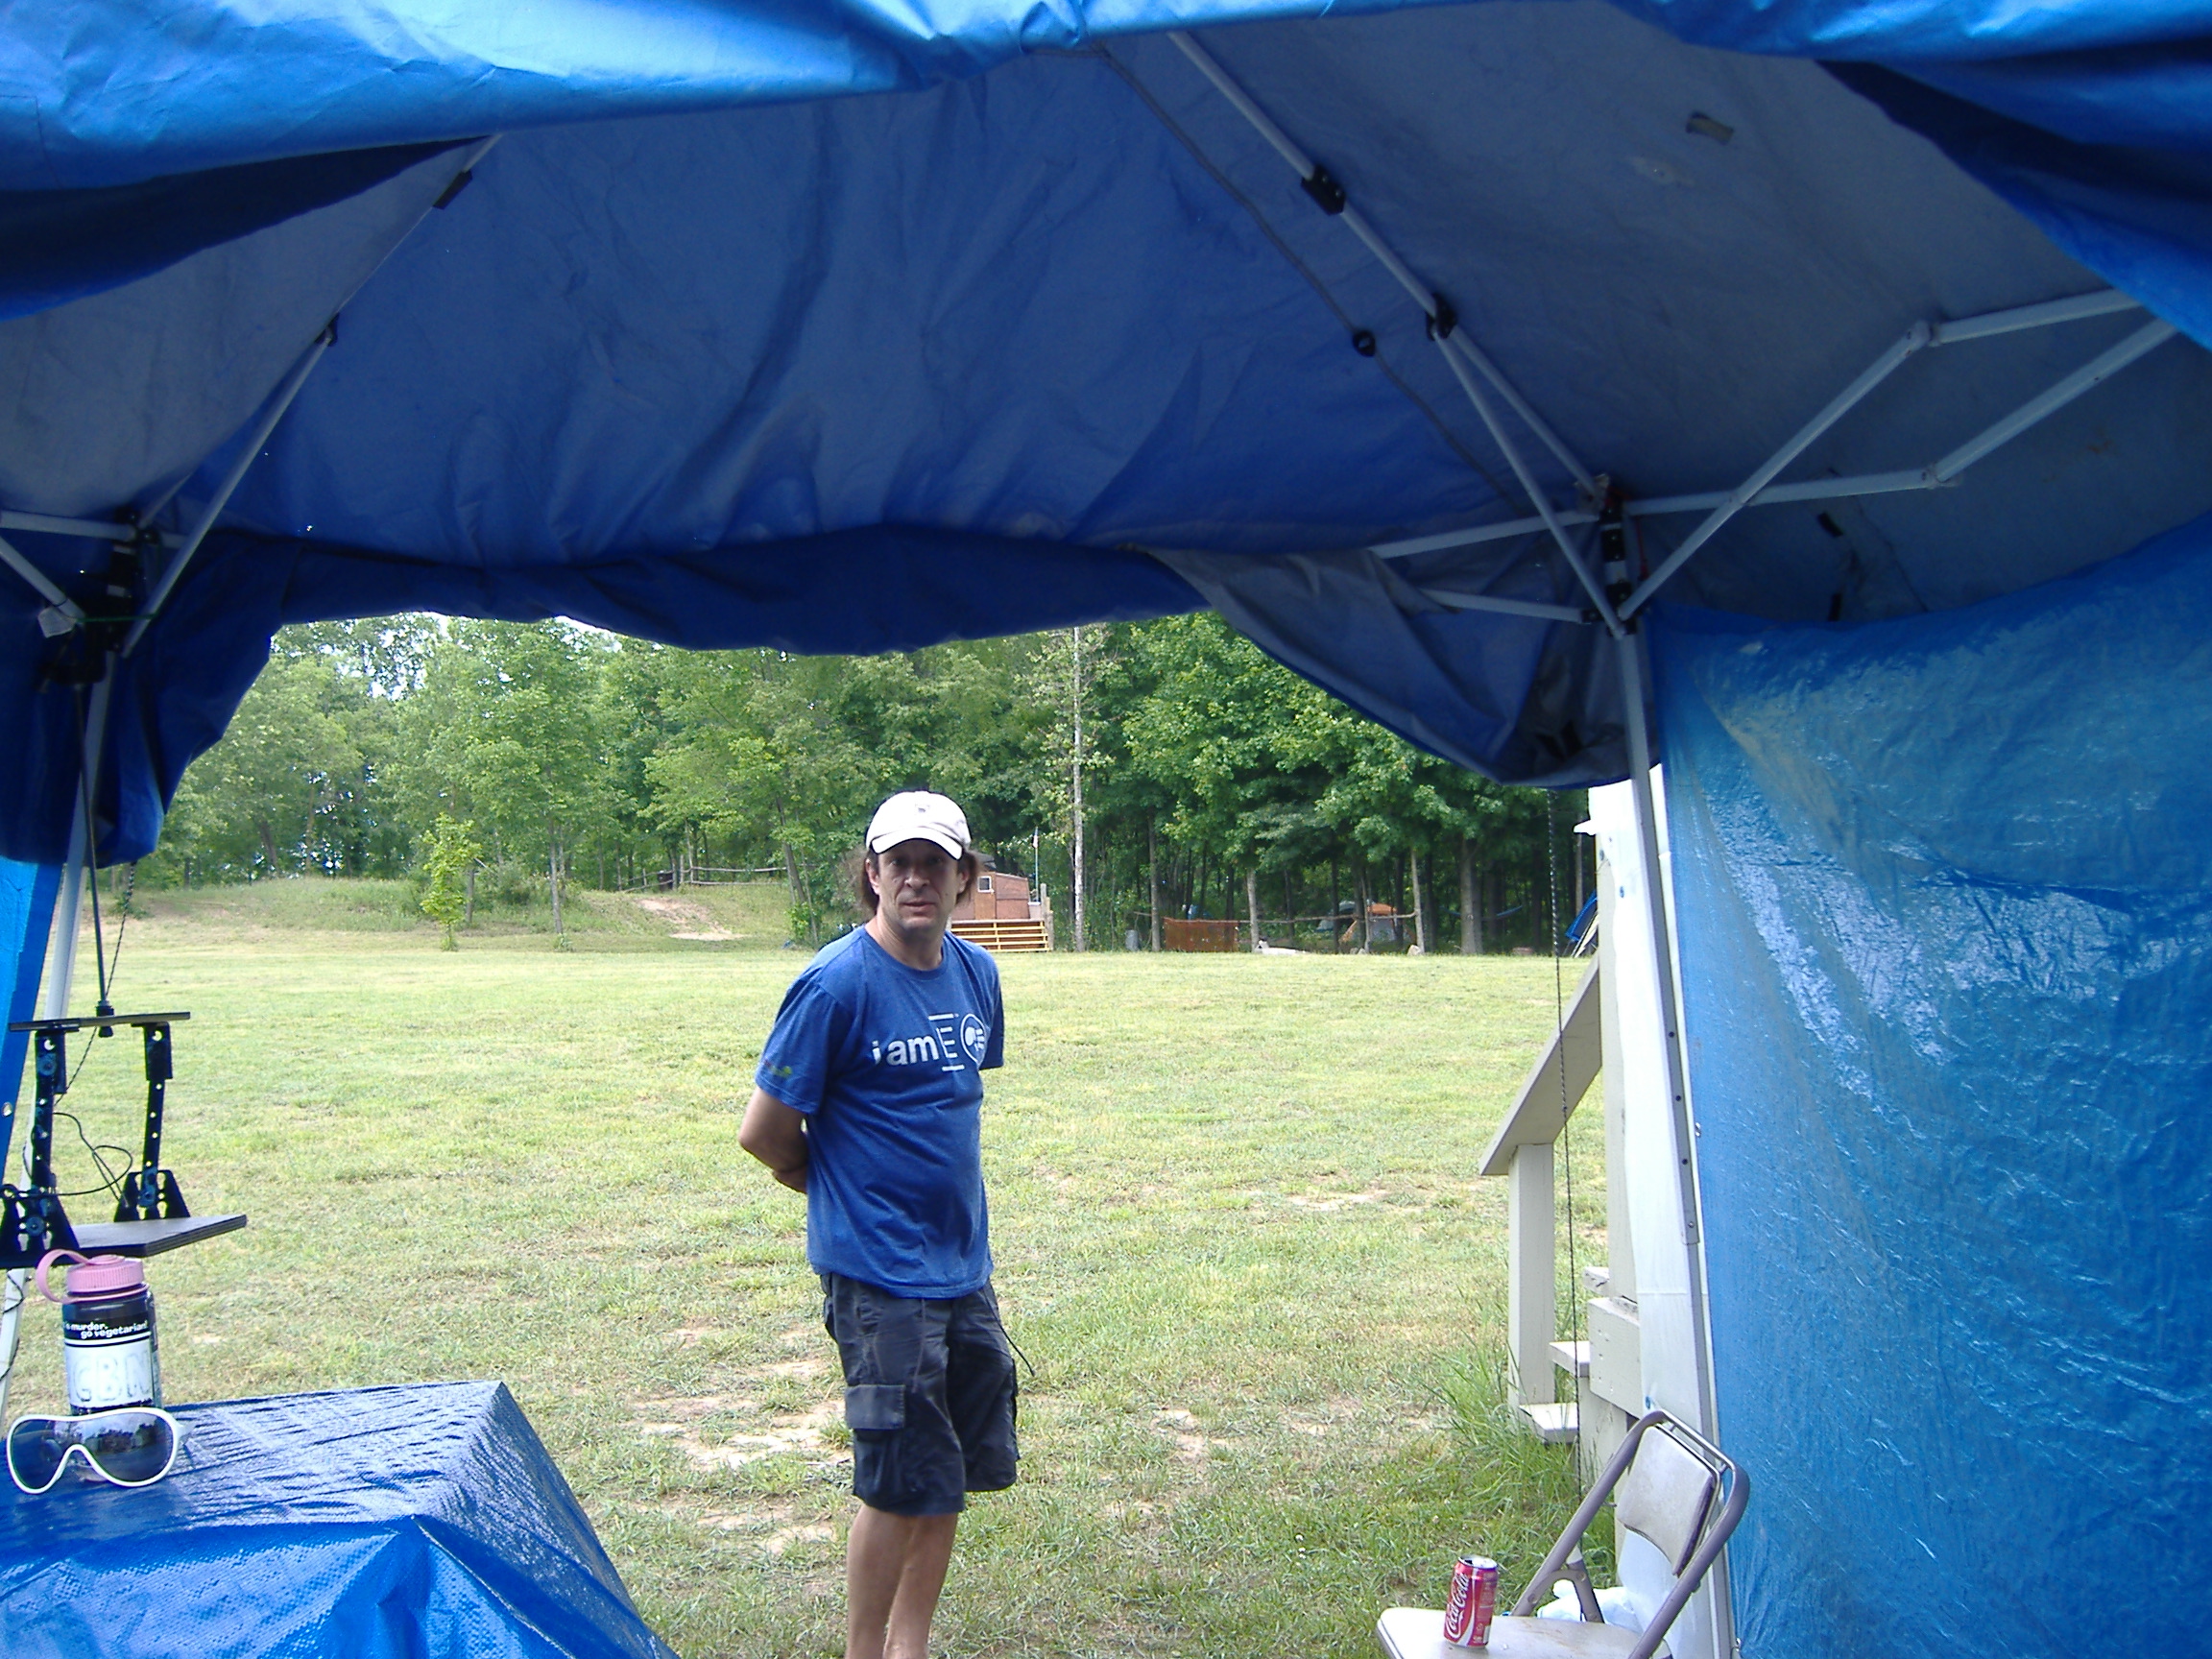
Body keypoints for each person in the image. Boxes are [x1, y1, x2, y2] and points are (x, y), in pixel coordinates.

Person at [738, 790, 1017, 1659]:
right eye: (899, 863)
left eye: (935, 863)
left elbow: (952, 1101)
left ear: (965, 877)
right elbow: (764, 1132)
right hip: (878, 1277)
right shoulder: (835, 984)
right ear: (872, 874)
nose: (916, 879)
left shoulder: (978, 975)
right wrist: (834, 1193)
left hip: (963, 1266)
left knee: (948, 1467)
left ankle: (910, 1645)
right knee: (896, 1477)